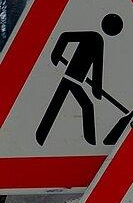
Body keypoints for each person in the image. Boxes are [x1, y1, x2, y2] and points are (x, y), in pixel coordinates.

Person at [37, 13, 123, 146]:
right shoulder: (94, 37)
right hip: (70, 78)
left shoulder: (97, 40)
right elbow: (66, 36)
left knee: (58, 105)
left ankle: (40, 136)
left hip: (75, 80)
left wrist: (96, 89)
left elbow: (97, 68)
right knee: (85, 106)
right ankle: (90, 143)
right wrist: (56, 55)